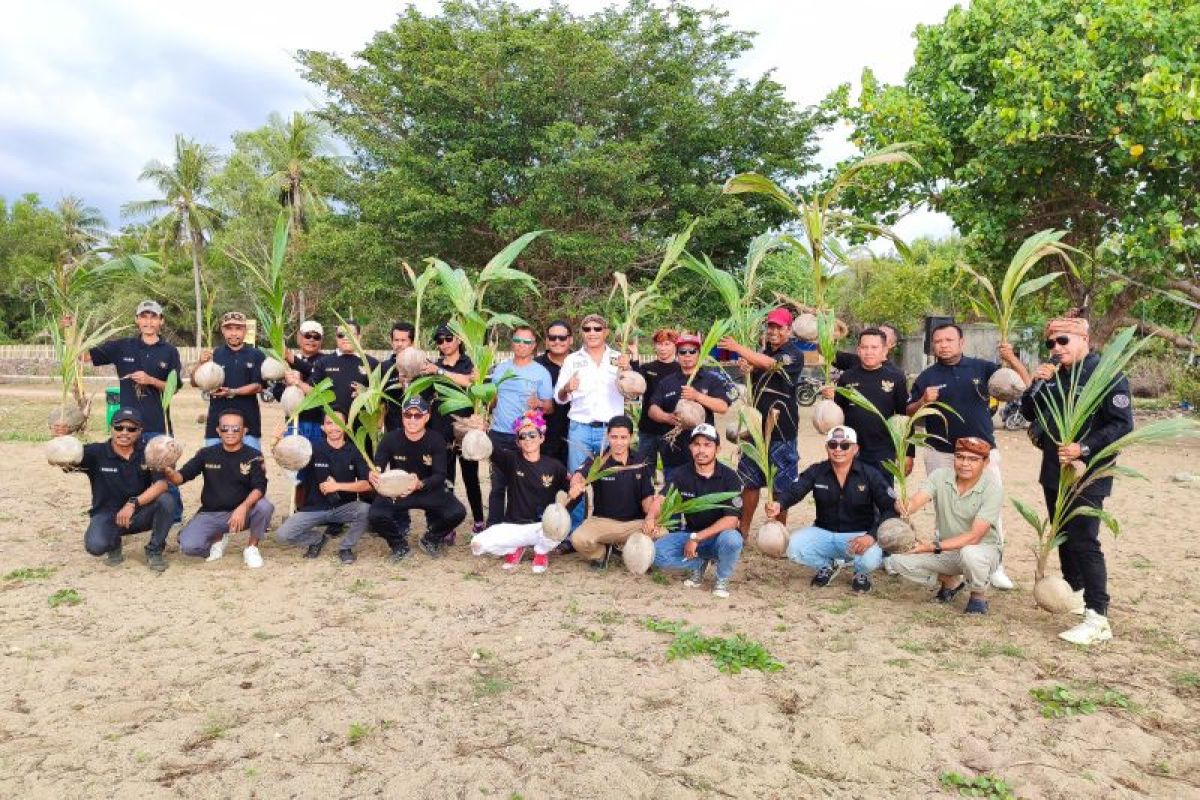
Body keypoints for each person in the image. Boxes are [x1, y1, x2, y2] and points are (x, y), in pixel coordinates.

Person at [1020, 315, 1133, 645]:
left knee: (1085, 540)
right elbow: (1030, 412)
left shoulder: (1106, 374)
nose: (1056, 348)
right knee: (1064, 536)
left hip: (1087, 472)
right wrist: (1036, 384)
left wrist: (1083, 447)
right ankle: (1078, 595)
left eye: (1063, 341)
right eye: (1051, 343)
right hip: (1054, 470)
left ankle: (1099, 617)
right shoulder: (1056, 375)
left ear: (1084, 340)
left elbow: (1121, 425)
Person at [905, 321, 1030, 591]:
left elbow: (1024, 384)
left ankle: (995, 567)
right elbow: (909, 413)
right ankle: (951, 569)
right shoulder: (926, 377)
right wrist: (923, 401)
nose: (943, 345)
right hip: (941, 453)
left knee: (989, 511)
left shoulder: (983, 368)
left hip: (981, 454)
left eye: (949, 340)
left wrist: (1012, 360)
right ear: (932, 345)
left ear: (962, 343)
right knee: (945, 513)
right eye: (938, 341)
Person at [81, 299, 184, 519]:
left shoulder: (169, 351)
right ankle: (137, 514)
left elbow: (174, 387)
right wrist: (69, 331)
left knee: (165, 472)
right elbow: (83, 355)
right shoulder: (122, 346)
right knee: (132, 474)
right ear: (137, 320)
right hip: (127, 429)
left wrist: (151, 380)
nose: (149, 321)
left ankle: (173, 518)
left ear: (161, 321)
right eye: (144, 316)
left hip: (158, 425)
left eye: (153, 317)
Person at [766, 425, 895, 593]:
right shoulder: (817, 471)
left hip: (860, 536)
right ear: (827, 448)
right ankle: (827, 566)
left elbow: (890, 509)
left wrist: (871, 536)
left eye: (845, 445)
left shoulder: (870, 474)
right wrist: (779, 504)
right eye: (833, 444)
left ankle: (860, 573)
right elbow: (796, 490)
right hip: (824, 533)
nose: (838, 449)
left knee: (870, 560)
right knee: (792, 546)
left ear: (855, 449)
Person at [886, 437, 1004, 614]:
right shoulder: (940, 476)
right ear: (953, 458)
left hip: (982, 551)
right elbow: (916, 502)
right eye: (960, 457)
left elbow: (975, 536)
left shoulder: (992, 488)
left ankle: (978, 594)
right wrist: (904, 506)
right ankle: (951, 582)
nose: (965, 464)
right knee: (896, 560)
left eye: (973, 459)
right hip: (947, 551)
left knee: (970, 553)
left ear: (985, 462)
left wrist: (930, 547)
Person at [55, 408, 177, 571]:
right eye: (119, 427)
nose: (124, 433)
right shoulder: (95, 452)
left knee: (167, 500)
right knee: (95, 546)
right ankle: (113, 543)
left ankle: (154, 550)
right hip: (107, 514)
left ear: (140, 431)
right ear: (111, 428)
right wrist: (60, 442)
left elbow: (161, 484)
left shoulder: (148, 453)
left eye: (131, 429)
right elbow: (64, 460)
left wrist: (132, 504)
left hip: (138, 512)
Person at [720, 307, 805, 535]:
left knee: (781, 486)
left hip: (782, 430)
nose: (774, 331)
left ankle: (778, 531)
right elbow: (756, 372)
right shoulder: (760, 352)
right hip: (754, 430)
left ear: (789, 330)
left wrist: (738, 348)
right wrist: (747, 369)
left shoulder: (794, 354)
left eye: (779, 327)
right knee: (749, 481)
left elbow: (771, 364)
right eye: (771, 326)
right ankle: (744, 529)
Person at [163, 409, 273, 568]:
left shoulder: (254, 456)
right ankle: (218, 538)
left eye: (236, 428)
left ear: (245, 430)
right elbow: (181, 477)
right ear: (218, 431)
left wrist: (243, 507)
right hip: (211, 513)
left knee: (265, 506)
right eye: (225, 428)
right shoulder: (205, 454)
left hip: (243, 513)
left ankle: (252, 548)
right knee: (189, 546)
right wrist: (168, 470)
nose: (230, 432)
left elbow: (259, 488)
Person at [646, 424, 744, 599]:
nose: (701, 450)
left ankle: (722, 579)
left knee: (733, 540)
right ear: (690, 448)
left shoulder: (730, 477)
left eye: (707, 445)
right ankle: (698, 564)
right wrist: (650, 517)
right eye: (697, 444)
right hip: (690, 534)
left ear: (717, 449)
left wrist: (697, 538)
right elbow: (661, 498)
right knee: (655, 553)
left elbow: (731, 521)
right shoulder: (680, 474)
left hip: (718, 537)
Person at [368, 396, 467, 562]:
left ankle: (430, 539)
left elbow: (440, 475)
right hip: (398, 491)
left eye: (418, 415)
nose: (412, 420)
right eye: (408, 415)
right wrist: (374, 473)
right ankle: (399, 546)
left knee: (457, 512)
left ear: (426, 417)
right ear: (402, 416)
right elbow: (378, 466)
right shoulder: (390, 438)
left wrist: (420, 483)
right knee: (375, 515)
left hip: (427, 488)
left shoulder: (436, 440)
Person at [470, 411, 570, 574]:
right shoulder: (511, 460)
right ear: (517, 442)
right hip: (514, 526)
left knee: (557, 529)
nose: (528, 439)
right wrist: (482, 431)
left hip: (541, 527)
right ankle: (516, 546)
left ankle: (541, 552)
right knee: (478, 544)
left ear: (541, 437)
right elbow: (492, 450)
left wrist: (565, 511)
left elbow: (572, 490)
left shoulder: (555, 466)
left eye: (532, 434)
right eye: (523, 436)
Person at [554, 313, 628, 532]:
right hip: (580, 429)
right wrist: (567, 387)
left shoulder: (619, 358)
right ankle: (575, 532)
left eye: (597, 329)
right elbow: (558, 396)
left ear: (606, 332)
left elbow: (634, 393)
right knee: (577, 480)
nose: (592, 333)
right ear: (582, 333)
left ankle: (610, 530)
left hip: (611, 431)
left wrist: (629, 369)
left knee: (613, 479)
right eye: (587, 329)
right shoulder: (572, 360)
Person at [273, 411, 372, 564]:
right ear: (322, 427)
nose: (334, 427)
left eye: (338, 423)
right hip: (314, 509)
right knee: (282, 535)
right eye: (329, 423)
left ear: (346, 426)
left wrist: (337, 486)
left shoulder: (354, 451)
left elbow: (367, 484)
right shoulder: (311, 448)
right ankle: (316, 539)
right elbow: (289, 462)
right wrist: (277, 444)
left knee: (367, 510)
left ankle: (346, 547)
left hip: (343, 508)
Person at [485, 325, 554, 525]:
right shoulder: (500, 369)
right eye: (517, 340)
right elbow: (492, 403)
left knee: (523, 484)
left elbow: (549, 408)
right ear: (511, 343)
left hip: (527, 438)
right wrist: (488, 399)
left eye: (526, 342)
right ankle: (494, 527)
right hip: (500, 433)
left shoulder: (541, 373)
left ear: (534, 346)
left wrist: (538, 403)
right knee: (498, 485)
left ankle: (522, 526)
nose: (521, 345)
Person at [568, 415, 656, 570]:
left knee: (662, 532)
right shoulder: (598, 459)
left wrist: (652, 515)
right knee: (578, 539)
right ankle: (601, 554)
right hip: (603, 522)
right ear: (607, 436)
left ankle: (625, 548)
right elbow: (579, 475)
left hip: (633, 524)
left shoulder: (641, 461)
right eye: (614, 437)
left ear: (631, 437)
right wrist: (575, 485)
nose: (619, 442)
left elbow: (647, 497)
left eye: (623, 437)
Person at [646, 332, 734, 482]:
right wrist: (667, 417)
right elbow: (652, 409)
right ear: (677, 355)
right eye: (682, 352)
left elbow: (722, 406)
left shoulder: (711, 380)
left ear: (699, 354)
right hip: (674, 455)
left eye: (692, 351)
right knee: (674, 499)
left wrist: (697, 396)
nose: (687, 355)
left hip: (703, 455)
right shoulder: (667, 382)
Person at [422, 323, 485, 536]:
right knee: (445, 479)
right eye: (439, 340)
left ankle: (478, 520)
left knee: (471, 478)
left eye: (448, 338)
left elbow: (470, 382)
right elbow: (424, 398)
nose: (444, 343)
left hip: (464, 429)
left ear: (458, 339)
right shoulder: (431, 367)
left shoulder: (469, 363)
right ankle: (448, 524)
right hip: (440, 431)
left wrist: (439, 371)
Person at [830, 327, 910, 476]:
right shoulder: (847, 377)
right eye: (864, 347)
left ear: (884, 350)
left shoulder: (896, 377)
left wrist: (908, 453)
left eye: (874, 347)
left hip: (883, 451)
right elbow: (837, 415)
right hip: (851, 448)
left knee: (882, 496)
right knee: (852, 495)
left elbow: (904, 417)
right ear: (858, 350)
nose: (869, 352)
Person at [192, 311, 266, 450]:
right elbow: (195, 383)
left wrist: (232, 391)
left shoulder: (256, 355)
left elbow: (258, 386)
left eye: (238, 328)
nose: (233, 333)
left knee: (251, 468)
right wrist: (200, 364)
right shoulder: (214, 355)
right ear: (223, 330)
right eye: (229, 328)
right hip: (217, 423)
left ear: (245, 330)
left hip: (249, 423)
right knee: (213, 467)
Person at [629, 328, 681, 465]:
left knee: (672, 470)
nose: (662, 348)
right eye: (659, 344)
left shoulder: (681, 370)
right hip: (648, 429)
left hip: (673, 431)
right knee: (644, 469)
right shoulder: (648, 368)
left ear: (675, 345)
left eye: (667, 344)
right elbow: (637, 381)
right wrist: (634, 354)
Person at [309, 320, 379, 419]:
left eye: (350, 334)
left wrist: (365, 392)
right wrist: (297, 382)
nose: (346, 338)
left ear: (359, 337)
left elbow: (380, 396)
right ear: (336, 338)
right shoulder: (323, 362)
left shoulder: (372, 363)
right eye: (341, 335)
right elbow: (311, 390)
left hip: (362, 426)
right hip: (332, 426)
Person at [535, 319, 573, 462]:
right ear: (546, 340)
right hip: (544, 435)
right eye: (552, 337)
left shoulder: (580, 363)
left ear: (571, 339)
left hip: (574, 434)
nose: (557, 341)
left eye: (562, 338)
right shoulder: (536, 365)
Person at [382, 320, 420, 432]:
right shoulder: (383, 368)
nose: (399, 344)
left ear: (412, 342)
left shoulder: (423, 365)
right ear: (391, 341)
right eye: (396, 340)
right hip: (393, 430)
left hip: (419, 430)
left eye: (403, 340)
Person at [834, 322, 899, 370]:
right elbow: (829, 353)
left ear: (892, 344)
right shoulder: (854, 361)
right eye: (876, 332)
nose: (877, 336)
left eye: (883, 335)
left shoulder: (896, 375)